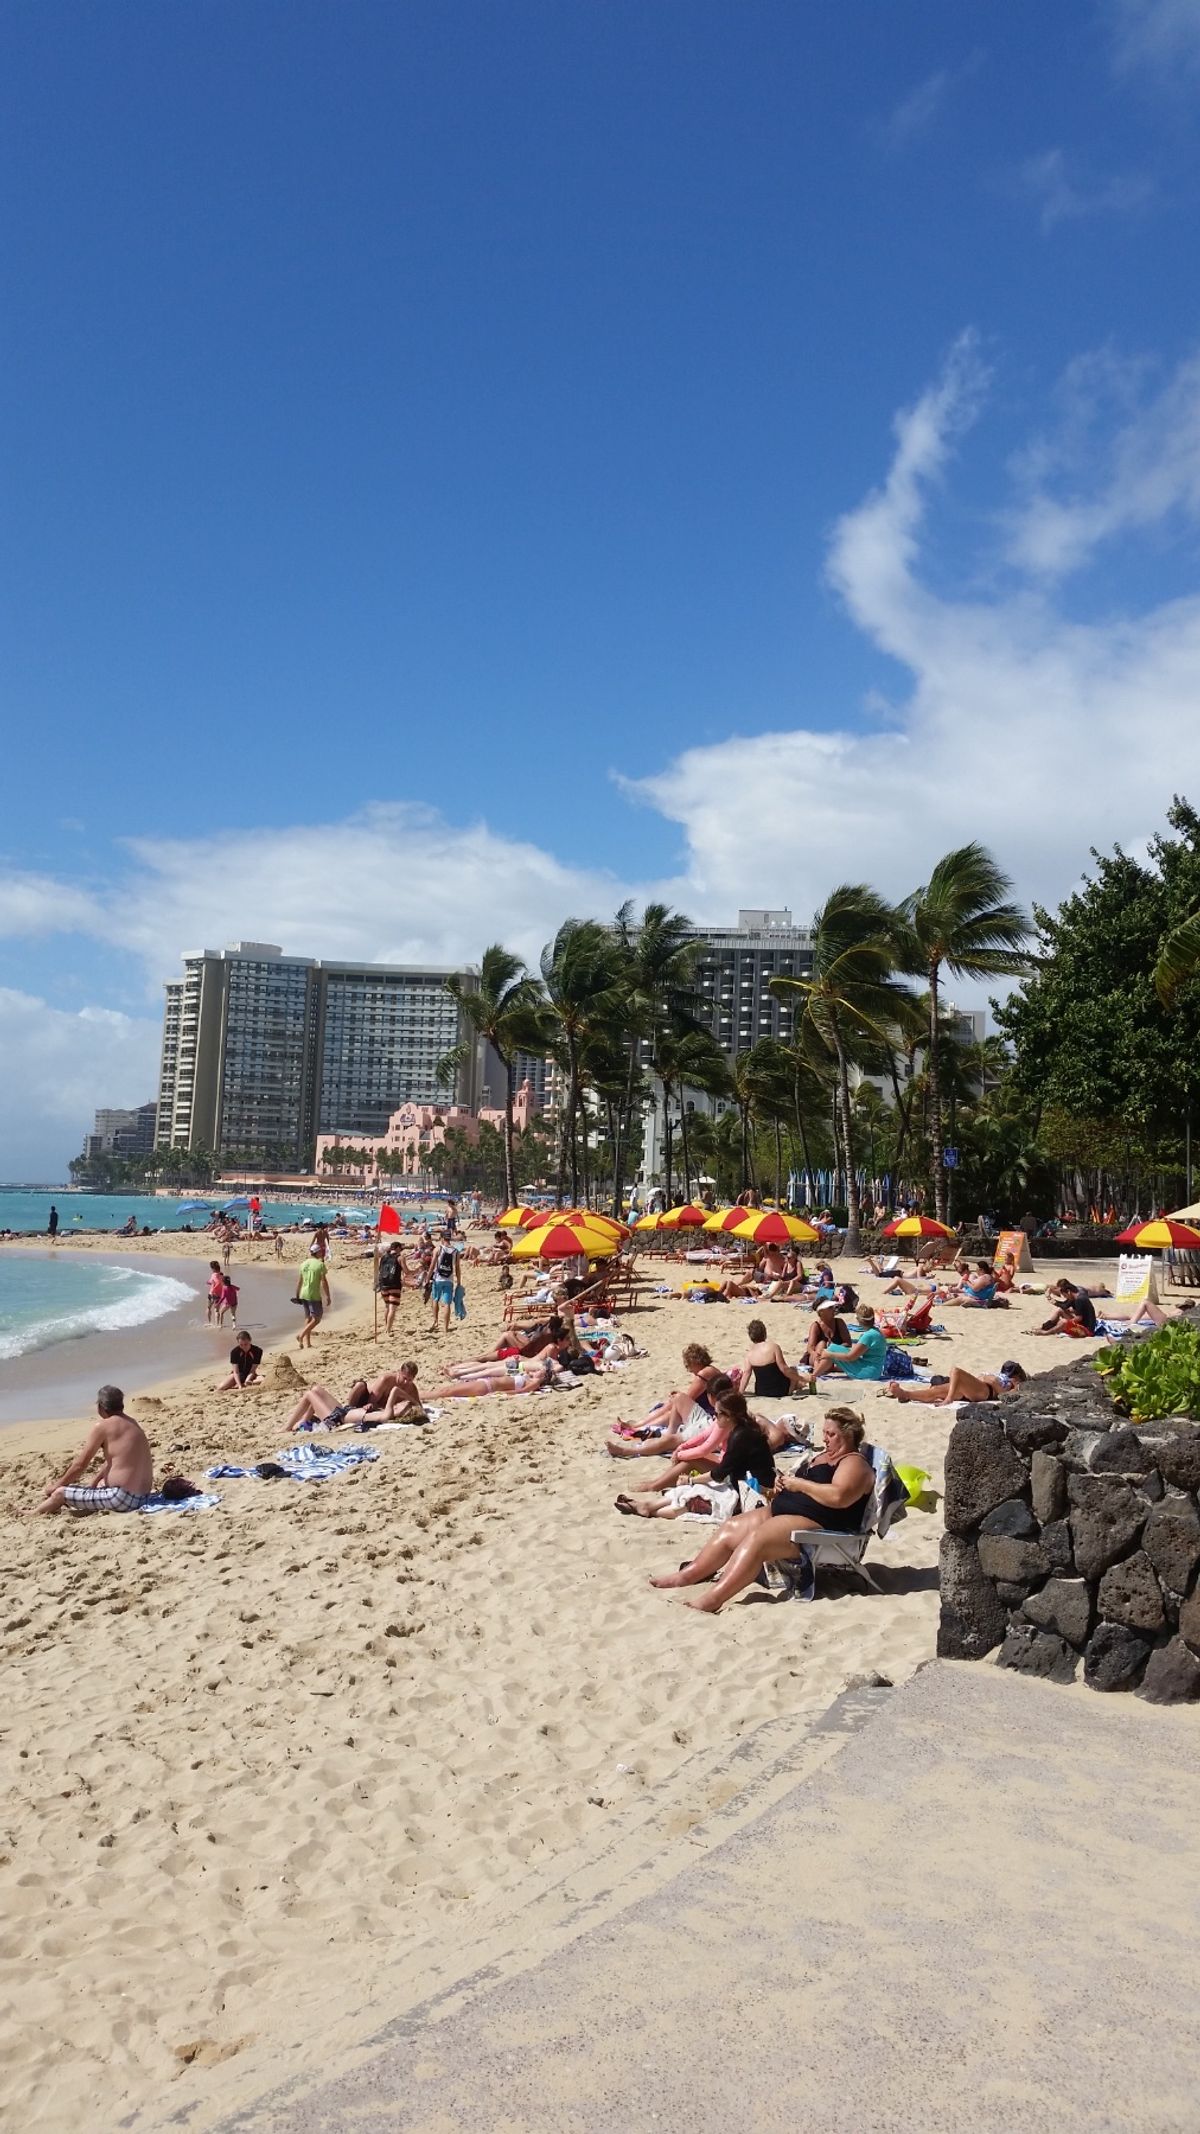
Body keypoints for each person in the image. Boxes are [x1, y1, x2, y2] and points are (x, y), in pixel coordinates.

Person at [649, 1407, 875, 1612]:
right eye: (824, 1433)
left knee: (757, 1540)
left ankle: (714, 1598)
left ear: (848, 1435)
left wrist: (800, 1485)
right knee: (731, 1528)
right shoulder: (828, 1456)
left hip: (820, 1524)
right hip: (788, 1509)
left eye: (831, 1434)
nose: (824, 1439)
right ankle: (687, 1575)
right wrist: (784, 1484)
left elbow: (839, 1497)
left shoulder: (853, 1462)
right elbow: (811, 1484)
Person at [615, 1395, 777, 1518]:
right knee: (695, 1489)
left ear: (730, 1416)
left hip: (754, 1490)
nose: (715, 1416)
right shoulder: (741, 1429)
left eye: (718, 1414)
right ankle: (648, 1505)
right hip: (744, 1482)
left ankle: (651, 1510)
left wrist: (690, 1479)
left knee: (697, 1496)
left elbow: (719, 1474)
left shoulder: (740, 1436)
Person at [30, 1386, 154, 1514]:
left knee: (60, 1493)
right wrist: (94, 1482)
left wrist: (56, 1486)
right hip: (142, 1497)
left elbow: (80, 1465)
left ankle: (33, 1513)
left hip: (123, 1499)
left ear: (100, 1406)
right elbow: (116, 1460)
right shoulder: (132, 1422)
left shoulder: (103, 1426)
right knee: (99, 1485)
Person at [607, 1348, 729, 1458]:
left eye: (688, 1366)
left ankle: (626, 1450)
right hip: (709, 1419)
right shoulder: (711, 1371)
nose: (688, 1370)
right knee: (678, 1398)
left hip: (708, 1421)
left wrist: (682, 1450)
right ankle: (663, 1431)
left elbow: (706, 1443)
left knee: (670, 1423)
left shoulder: (704, 1374)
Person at [798, 1304, 887, 1384]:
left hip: (868, 1372)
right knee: (833, 1348)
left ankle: (813, 1375)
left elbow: (851, 1357)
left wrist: (830, 1354)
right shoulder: (875, 1332)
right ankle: (815, 1374)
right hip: (874, 1370)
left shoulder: (868, 1335)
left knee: (832, 1349)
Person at [884, 1361, 1028, 1404]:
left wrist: (993, 1381)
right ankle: (905, 1394)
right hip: (976, 1387)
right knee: (935, 1391)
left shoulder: (1016, 1385)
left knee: (956, 1371)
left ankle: (949, 1398)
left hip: (985, 1390)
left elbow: (1004, 1395)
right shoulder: (1003, 1376)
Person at [739, 1319, 803, 1398]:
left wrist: (740, 1392)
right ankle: (790, 1391)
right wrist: (802, 1378)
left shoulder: (749, 1355)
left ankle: (798, 1385)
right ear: (764, 1333)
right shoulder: (773, 1347)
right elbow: (784, 1369)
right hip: (780, 1390)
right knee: (793, 1369)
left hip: (761, 1391)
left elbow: (746, 1374)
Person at [428, 1228, 463, 1334]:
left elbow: (432, 1265)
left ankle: (435, 1321)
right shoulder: (455, 1251)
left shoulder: (438, 1249)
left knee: (435, 1299)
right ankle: (446, 1328)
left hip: (438, 1279)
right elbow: (457, 1267)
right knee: (447, 1303)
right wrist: (459, 1281)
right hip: (449, 1279)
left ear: (442, 1238)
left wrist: (427, 1278)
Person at [803, 1299, 851, 1374]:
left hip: (834, 1355)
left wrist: (832, 1349)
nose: (833, 1310)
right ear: (821, 1312)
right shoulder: (816, 1326)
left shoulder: (839, 1322)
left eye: (833, 1307)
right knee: (821, 1344)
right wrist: (815, 1353)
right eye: (830, 1308)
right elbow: (810, 1347)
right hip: (818, 1356)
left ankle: (824, 1368)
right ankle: (822, 1367)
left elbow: (848, 1343)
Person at [295, 1249, 332, 1347]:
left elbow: (299, 1281)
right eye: (321, 1251)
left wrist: (297, 1294)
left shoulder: (303, 1264)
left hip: (304, 1293)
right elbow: (324, 1282)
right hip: (313, 1294)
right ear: (318, 1253)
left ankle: (308, 1343)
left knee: (308, 1318)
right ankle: (301, 1335)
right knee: (317, 1319)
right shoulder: (320, 1264)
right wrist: (328, 1295)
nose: (322, 1253)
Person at [376, 1241, 406, 1333]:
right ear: (397, 1248)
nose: (401, 1251)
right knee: (392, 1308)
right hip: (394, 1285)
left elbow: (380, 1270)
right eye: (400, 1249)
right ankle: (388, 1330)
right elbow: (407, 1272)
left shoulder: (384, 1257)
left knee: (387, 1307)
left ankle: (387, 1327)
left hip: (384, 1284)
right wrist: (417, 1270)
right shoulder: (400, 1258)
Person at [206, 1260, 225, 1325]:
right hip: (219, 1294)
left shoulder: (214, 1275)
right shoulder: (221, 1275)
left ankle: (209, 1322)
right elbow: (221, 1283)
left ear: (213, 1268)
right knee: (216, 1310)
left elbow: (215, 1282)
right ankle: (217, 1324)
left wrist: (210, 1285)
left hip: (212, 1294)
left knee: (208, 1308)